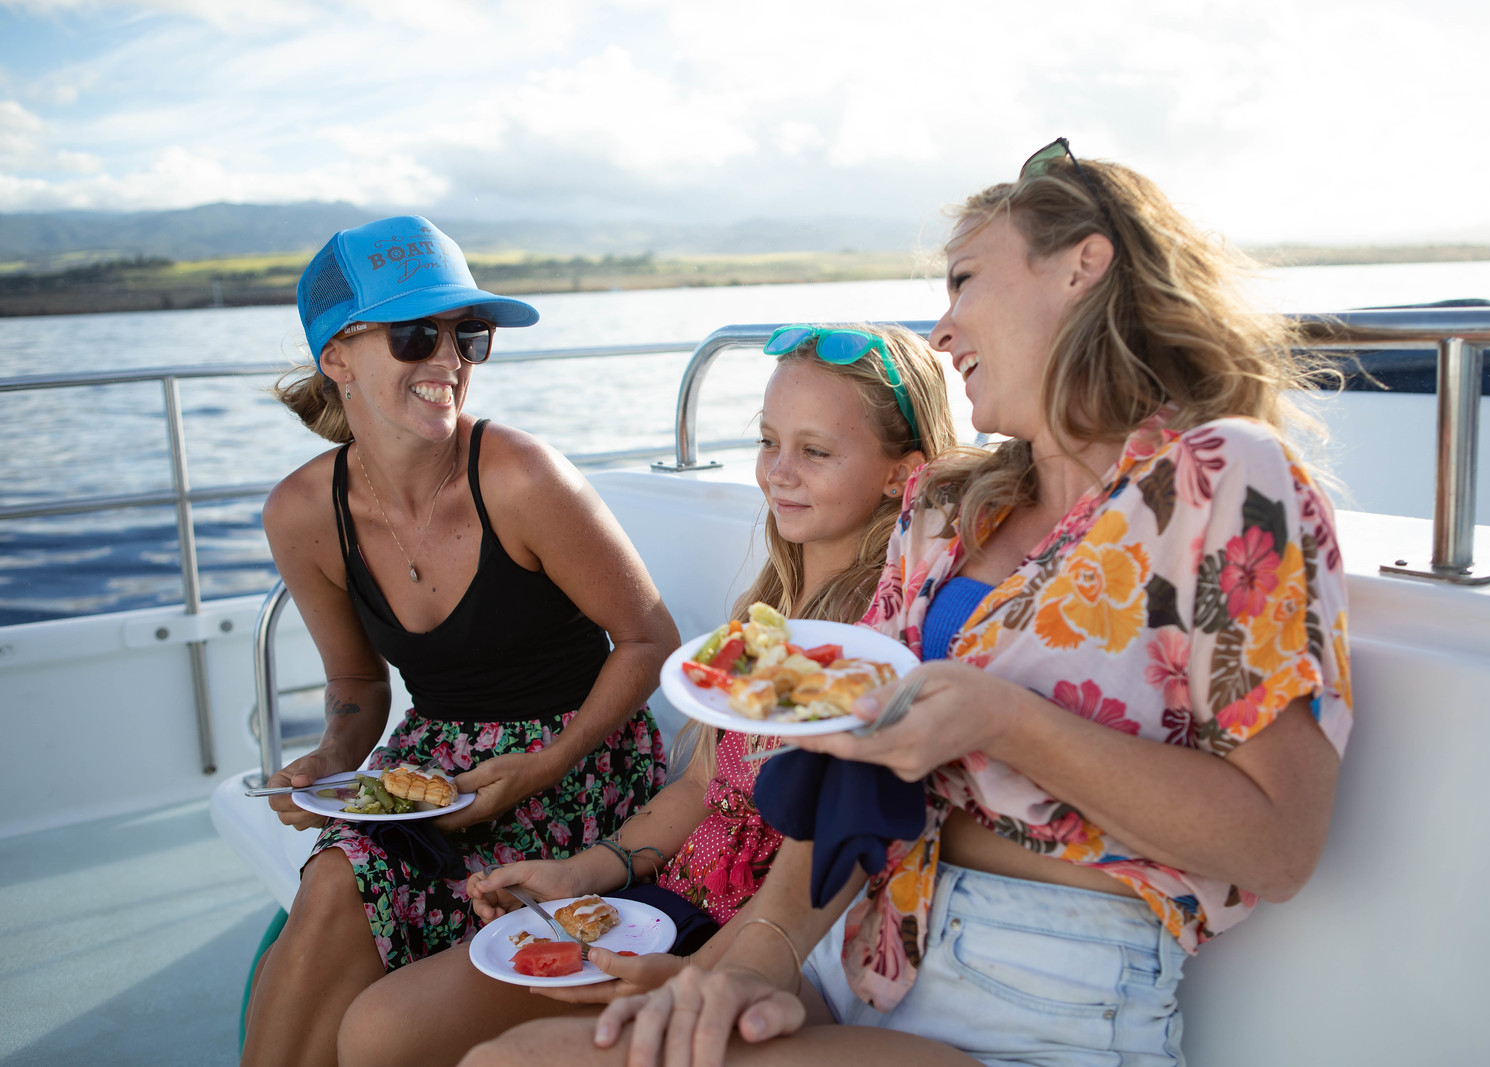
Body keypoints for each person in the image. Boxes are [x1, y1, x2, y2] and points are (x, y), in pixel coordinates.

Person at [469, 140, 1354, 1067]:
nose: (943, 330)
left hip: (1044, 994)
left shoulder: (1217, 477)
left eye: (964, 279)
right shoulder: (947, 506)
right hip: (855, 956)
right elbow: (854, 774)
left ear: (1081, 268)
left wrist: (1005, 721)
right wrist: (748, 963)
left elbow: (1278, 843)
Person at [334, 322, 957, 1066]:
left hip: (740, 947)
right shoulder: (769, 608)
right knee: (378, 1026)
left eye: (815, 451)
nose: (777, 471)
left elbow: (821, 873)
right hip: (664, 901)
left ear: (901, 473)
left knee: (392, 1037)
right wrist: (585, 870)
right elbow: (701, 784)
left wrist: (701, 975)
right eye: (767, 441)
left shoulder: (878, 639)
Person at [242, 216, 678, 1067]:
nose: (448, 360)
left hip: (581, 755)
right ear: (338, 355)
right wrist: (330, 759)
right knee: (333, 882)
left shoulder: (519, 477)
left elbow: (647, 640)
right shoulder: (302, 513)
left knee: (345, 922)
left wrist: (544, 762)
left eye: (467, 335)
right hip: (432, 771)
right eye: (415, 334)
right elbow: (358, 688)